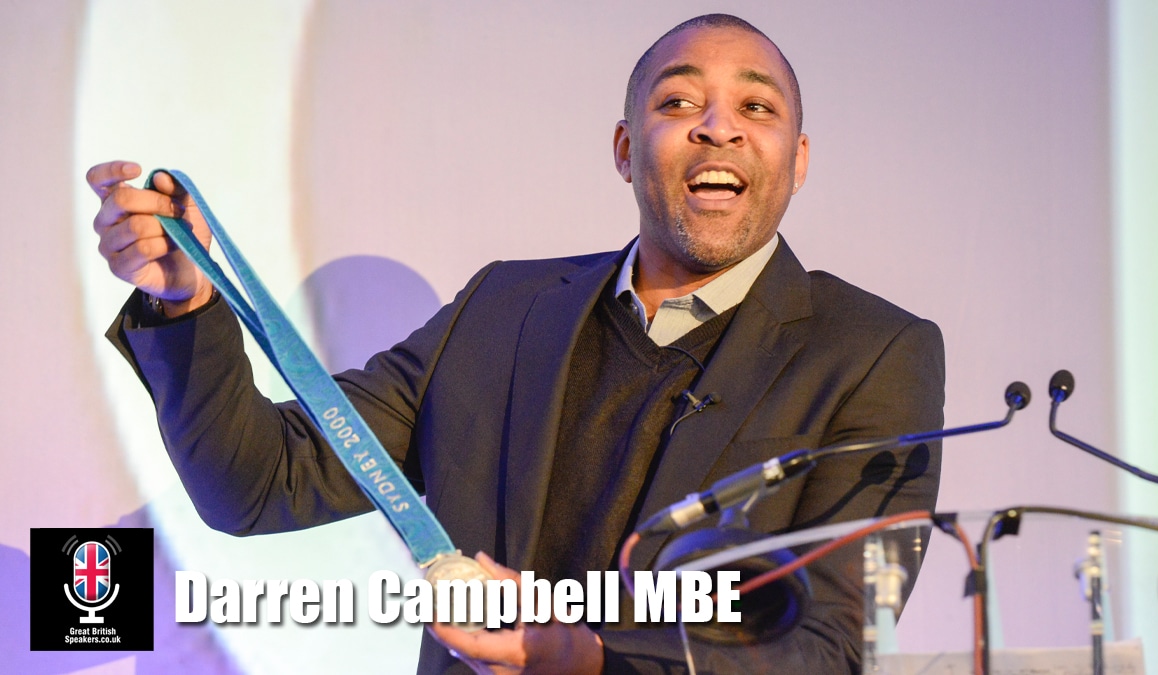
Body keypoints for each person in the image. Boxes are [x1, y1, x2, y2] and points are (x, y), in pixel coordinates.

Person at [89, 13, 944, 674]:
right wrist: (186, 300)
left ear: (797, 161)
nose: (718, 127)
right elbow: (259, 483)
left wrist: (587, 656)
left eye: (756, 107)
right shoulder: (503, 308)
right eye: (679, 102)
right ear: (625, 150)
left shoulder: (873, 352)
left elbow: (835, 649)